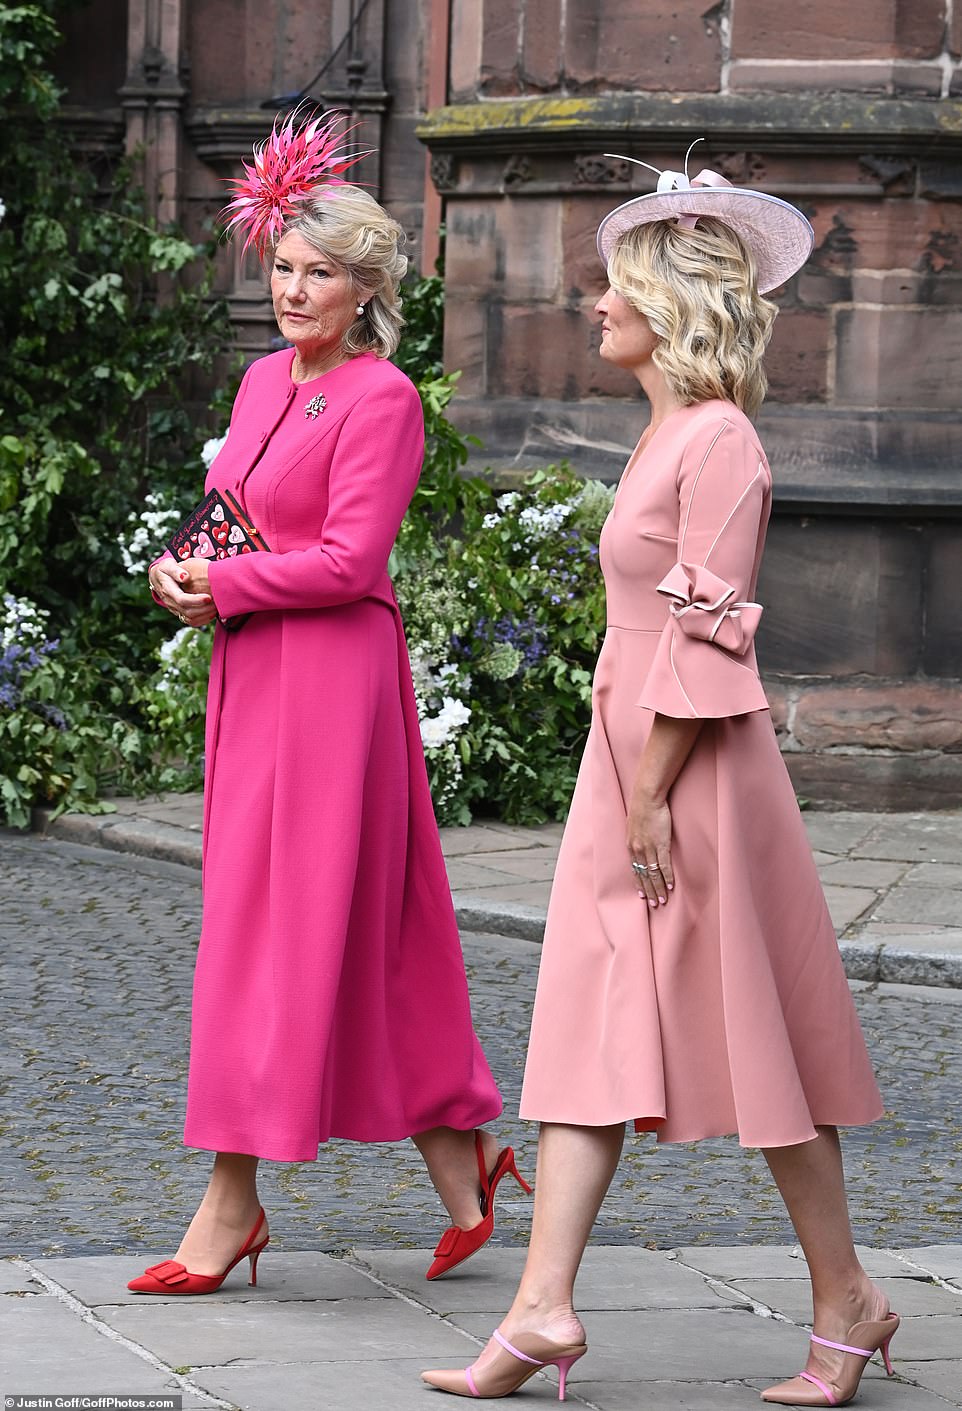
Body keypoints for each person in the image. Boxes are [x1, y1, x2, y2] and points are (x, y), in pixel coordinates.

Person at [422, 156, 898, 1405]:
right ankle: (540, 1307)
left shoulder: (723, 441)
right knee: (587, 1020)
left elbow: (707, 631)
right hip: (626, 762)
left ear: (671, 306)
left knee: (759, 1042)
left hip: (687, 775)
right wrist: (620, 770)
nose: (592, 301)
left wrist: (647, 790)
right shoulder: (669, 431)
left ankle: (844, 1295)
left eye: (614, 283)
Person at [131, 112, 529, 1297]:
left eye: (321, 274)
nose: (295, 290)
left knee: (274, 937)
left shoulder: (380, 399)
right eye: (283, 269)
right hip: (256, 675)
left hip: (333, 689)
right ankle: (462, 1164)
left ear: (364, 288)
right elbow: (233, 517)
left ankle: (229, 1205)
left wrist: (228, 583)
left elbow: (354, 559)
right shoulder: (260, 381)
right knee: (357, 937)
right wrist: (179, 568)